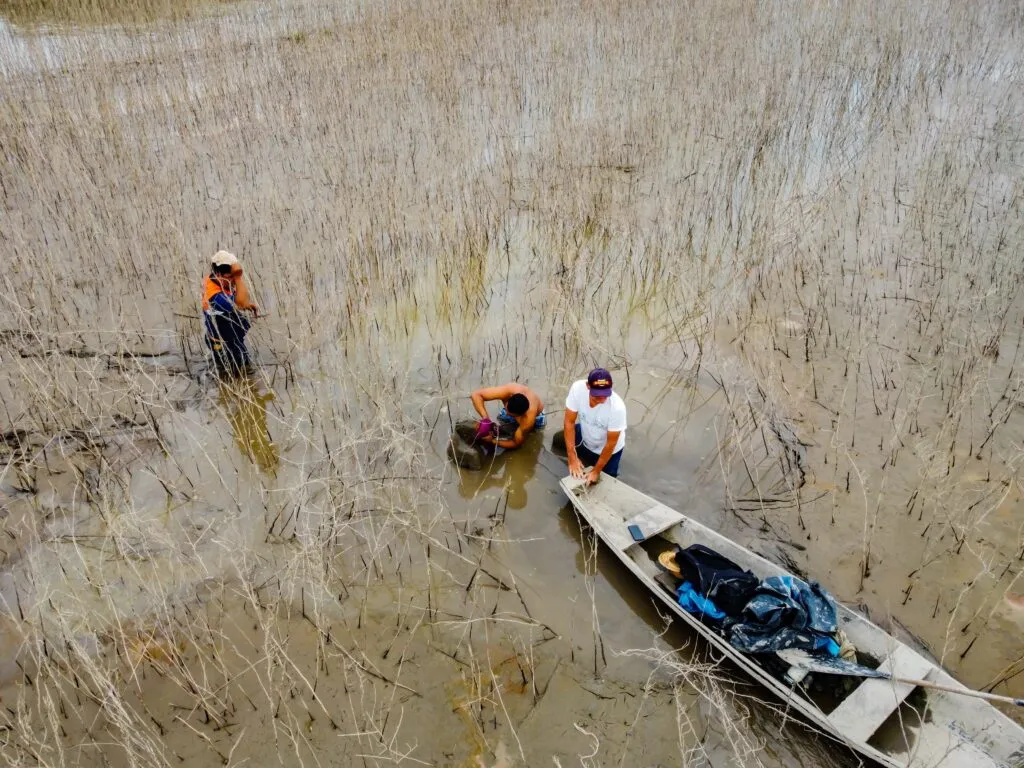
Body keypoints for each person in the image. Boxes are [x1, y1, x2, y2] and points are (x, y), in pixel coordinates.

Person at [564, 367, 626, 483]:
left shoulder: (617, 408)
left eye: (605, 395)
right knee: (562, 445)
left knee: (606, 481)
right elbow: (569, 422)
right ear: (588, 386)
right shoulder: (577, 389)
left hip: (609, 448)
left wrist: (596, 471)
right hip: (586, 435)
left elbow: (610, 443)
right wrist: (572, 457)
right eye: (597, 395)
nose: (602, 399)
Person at [202, 250, 258, 376]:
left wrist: (246, 305)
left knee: (227, 368)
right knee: (241, 370)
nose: (233, 281)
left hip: (222, 338)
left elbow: (240, 302)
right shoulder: (217, 298)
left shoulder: (211, 279)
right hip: (225, 344)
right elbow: (241, 302)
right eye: (230, 277)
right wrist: (238, 277)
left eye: (234, 276)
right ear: (218, 273)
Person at [469, 383, 545, 451]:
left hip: (537, 417)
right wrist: (486, 419)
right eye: (506, 409)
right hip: (517, 408)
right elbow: (476, 395)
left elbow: (516, 443)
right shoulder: (509, 390)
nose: (507, 414)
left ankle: (522, 428)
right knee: (501, 418)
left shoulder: (528, 420)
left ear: (521, 415)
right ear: (510, 398)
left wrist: (493, 441)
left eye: (511, 414)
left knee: (531, 434)